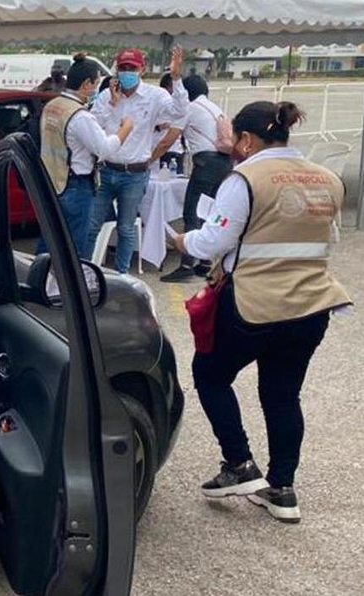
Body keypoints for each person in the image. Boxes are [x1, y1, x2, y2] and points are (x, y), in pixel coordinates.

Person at [174, 101, 351, 523]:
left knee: (210, 374)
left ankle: (238, 463)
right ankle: (282, 489)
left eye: (235, 139)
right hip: (311, 306)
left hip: (254, 304)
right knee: (283, 394)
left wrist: (182, 243)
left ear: (246, 140)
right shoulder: (328, 179)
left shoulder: (245, 178)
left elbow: (212, 243)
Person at [88, 46, 189, 273]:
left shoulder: (154, 96)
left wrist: (175, 77)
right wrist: (113, 105)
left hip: (134, 173)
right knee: (92, 225)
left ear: (141, 70)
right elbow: (93, 125)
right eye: (122, 68)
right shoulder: (107, 96)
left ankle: (122, 274)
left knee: (126, 227)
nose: (126, 72)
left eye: (131, 68)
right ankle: (85, 269)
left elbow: (179, 111)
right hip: (107, 170)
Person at [38, 53, 134, 255]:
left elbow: (89, 129)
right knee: (74, 247)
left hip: (51, 181)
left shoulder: (52, 106)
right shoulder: (79, 115)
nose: (97, 88)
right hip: (76, 185)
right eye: (96, 83)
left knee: (49, 242)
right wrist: (125, 129)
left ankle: (39, 282)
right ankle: (70, 286)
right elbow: (104, 148)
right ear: (86, 84)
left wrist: (111, 106)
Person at [160, 74, 234, 283]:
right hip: (224, 163)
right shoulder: (213, 107)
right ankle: (205, 262)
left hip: (206, 164)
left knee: (191, 213)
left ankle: (185, 264)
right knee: (209, 212)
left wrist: (150, 158)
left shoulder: (189, 108)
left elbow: (169, 141)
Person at [151, 73, 187, 175]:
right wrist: (158, 127)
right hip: (160, 151)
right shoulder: (159, 104)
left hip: (173, 151)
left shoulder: (180, 107)